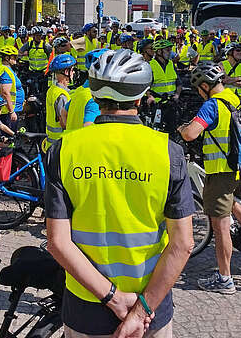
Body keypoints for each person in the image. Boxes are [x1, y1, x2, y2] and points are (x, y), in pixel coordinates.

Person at [45, 49, 194, 338]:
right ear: (140, 97)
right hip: (150, 306)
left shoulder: (63, 151)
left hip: (87, 304)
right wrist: (141, 309)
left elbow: (57, 242)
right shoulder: (168, 153)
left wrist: (113, 297)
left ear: (96, 95)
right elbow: (183, 245)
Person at [178, 62, 241, 294]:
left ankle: (225, 279)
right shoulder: (240, 99)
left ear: (204, 86)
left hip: (220, 172)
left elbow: (191, 134)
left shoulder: (212, 105)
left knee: (220, 227)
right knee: (236, 205)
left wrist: (182, 128)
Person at [62, 49, 106, 131]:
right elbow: (88, 127)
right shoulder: (94, 98)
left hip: (70, 141)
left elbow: (63, 113)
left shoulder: (80, 90)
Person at [45, 54, 75, 148]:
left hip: (52, 142)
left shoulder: (52, 89)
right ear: (66, 71)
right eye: (72, 70)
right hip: (59, 143)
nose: (73, 73)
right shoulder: (62, 96)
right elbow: (63, 122)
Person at [0, 45, 24, 131]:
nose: (15, 59)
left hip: (8, 109)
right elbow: (5, 93)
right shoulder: (5, 72)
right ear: (7, 58)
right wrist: (11, 112)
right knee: (8, 138)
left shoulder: (5, 69)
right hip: (7, 111)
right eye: (14, 57)